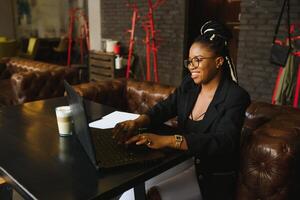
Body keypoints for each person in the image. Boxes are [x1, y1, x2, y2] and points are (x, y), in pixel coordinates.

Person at [112, 20, 251, 200]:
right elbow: (165, 107)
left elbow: (224, 141)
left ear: (218, 61)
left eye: (198, 60)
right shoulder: (189, 85)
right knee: (129, 194)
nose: (192, 66)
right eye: (190, 61)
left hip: (209, 175)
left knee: (152, 195)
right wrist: (137, 122)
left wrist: (169, 140)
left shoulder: (235, 96)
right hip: (183, 160)